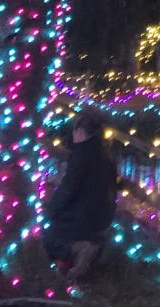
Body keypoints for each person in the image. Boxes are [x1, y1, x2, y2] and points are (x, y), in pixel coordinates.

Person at [44, 110, 118, 278]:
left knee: (47, 238)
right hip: (104, 218)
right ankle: (84, 254)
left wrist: (50, 210)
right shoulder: (106, 156)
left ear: (78, 132)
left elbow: (68, 189)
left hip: (83, 218)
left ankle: (77, 249)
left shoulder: (81, 155)